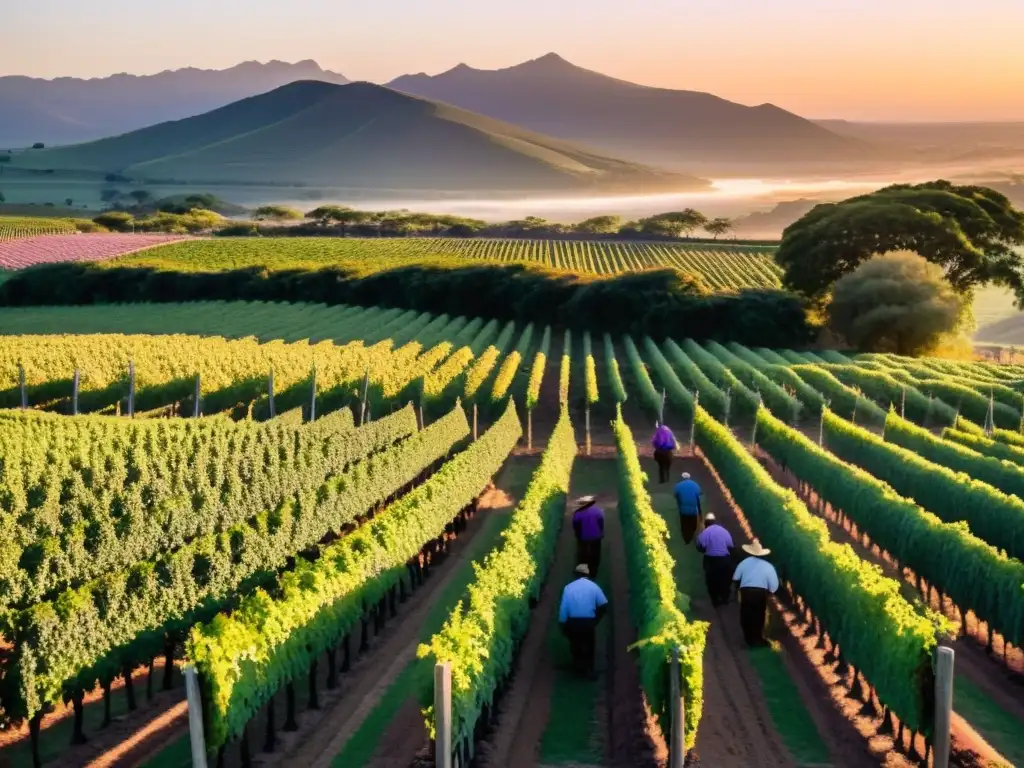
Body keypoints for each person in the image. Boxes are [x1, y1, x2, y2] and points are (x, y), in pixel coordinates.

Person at [559, 563, 608, 677]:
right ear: (587, 575)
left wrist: (562, 623)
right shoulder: (593, 586)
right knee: (589, 645)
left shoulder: (568, 587)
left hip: (573, 621)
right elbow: (604, 604)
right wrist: (596, 620)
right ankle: (589, 670)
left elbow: (564, 607)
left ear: (576, 574)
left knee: (575, 644)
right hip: (588, 622)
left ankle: (578, 667)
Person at [731, 540, 779, 647]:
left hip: (746, 592)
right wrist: (770, 592)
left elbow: (735, 577)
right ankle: (757, 638)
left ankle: (749, 638)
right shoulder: (768, 566)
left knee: (746, 615)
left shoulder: (744, 563)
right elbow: (774, 585)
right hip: (760, 593)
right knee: (759, 616)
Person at [695, 513, 735, 606]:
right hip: (725, 559)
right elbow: (730, 545)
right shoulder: (724, 531)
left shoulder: (704, 533)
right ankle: (725, 597)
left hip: (711, 560)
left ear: (706, 523)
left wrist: (706, 550)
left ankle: (715, 600)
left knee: (711, 580)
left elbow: (699, 546)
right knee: (725, 578)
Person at [572, 495, 604, 578]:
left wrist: (577, 534)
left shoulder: (578, 513)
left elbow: (575, 525)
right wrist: (601, 533)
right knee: (595, 554)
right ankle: (594, 573)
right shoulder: (598, 511)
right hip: (596, 536)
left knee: (583, 554)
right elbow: (601, 523)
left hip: (583, 537)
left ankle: (582, 572)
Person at [673, 472, 703, 544]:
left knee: (684, 524)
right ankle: (691, 535)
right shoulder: (695, 485)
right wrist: (700, 512)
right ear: (689, 477)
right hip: (693, 510)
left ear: (682, 478)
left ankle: (686, 539)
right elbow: (699, 495)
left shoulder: (678, 485)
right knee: (693, 524)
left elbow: (676, 495)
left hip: (683, 509)